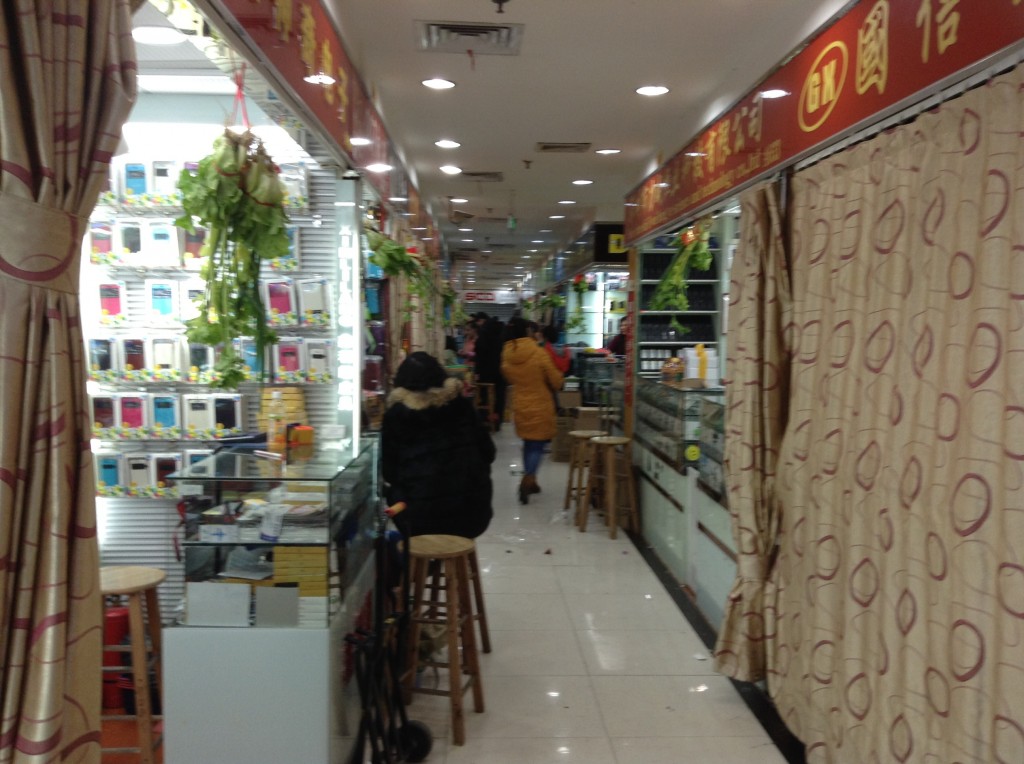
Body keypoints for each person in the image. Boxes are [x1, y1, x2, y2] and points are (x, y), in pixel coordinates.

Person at [381, 352, 495, 539]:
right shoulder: (461, 406)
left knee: (396, 492)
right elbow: (489, 453)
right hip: (472, 516)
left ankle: (419, 564)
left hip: (417, 521)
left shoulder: (396, 415)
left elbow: (389, 473)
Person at [500, 316, 564, 504]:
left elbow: (508, 376)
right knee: (537, 444)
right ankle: (527, 480)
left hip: (520, 402)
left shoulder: (507, 353)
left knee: (529, 442)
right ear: (527, 331)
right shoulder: (538, 352)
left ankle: (533, 480)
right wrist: (559, 379)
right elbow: (555, 380)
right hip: (540, 403)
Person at [473, 313, 507, 430]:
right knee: (500, 397)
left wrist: (477, 372)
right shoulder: (501, 334)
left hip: (486, 374)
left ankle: (485, 419)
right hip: (500, 371)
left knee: (484, 397)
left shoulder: (483, 335)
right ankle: (497, 420)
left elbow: (479, 355)